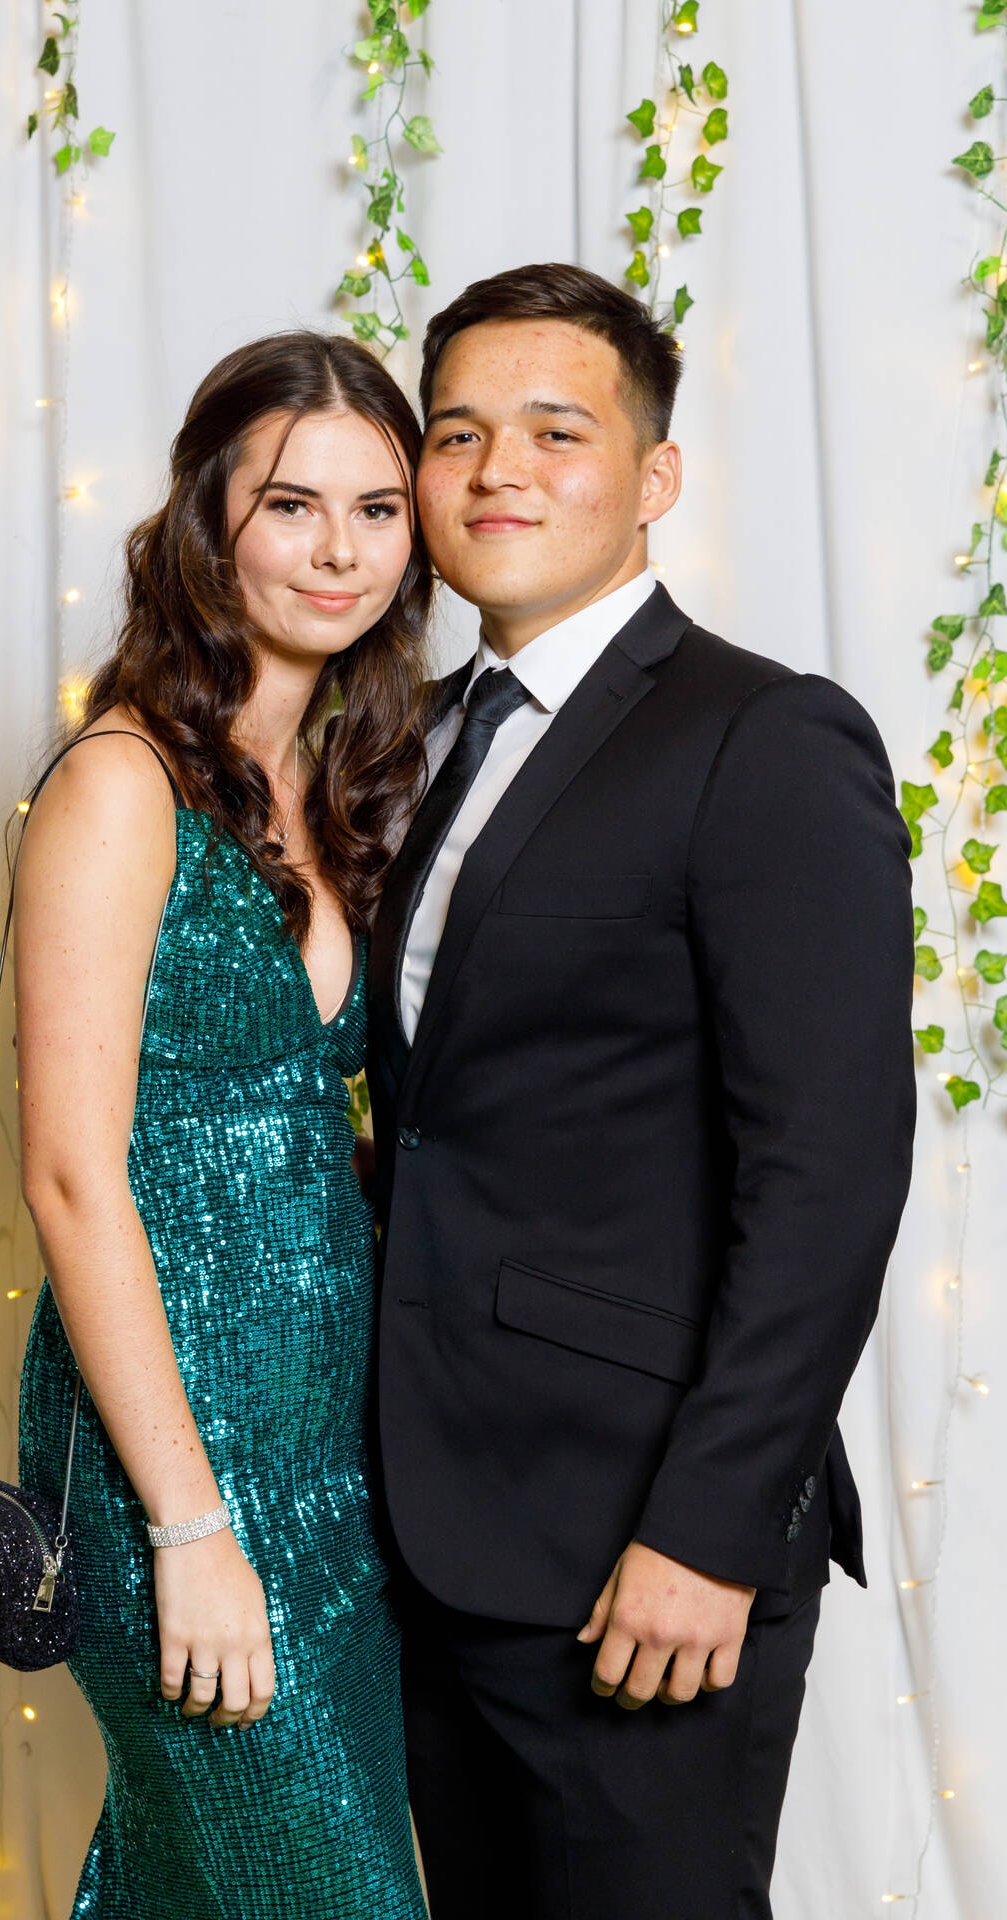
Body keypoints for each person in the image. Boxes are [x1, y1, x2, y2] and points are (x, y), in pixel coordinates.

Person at [365, 262, 917, 1919]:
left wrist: (710, 1530)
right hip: (429, 1530)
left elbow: (828, 1175)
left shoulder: (767, 737)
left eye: (556, 431)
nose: (498, 472)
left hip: (638, 1544)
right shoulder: (413, 741)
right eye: (456, 433)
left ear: (654, 475)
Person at [13, 330, 432, 1918]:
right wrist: (189, 1525)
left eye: (377, 509)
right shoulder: (124, 783)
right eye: (291, 505)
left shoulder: (334, 782)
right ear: (210, 522)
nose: (339, 551)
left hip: (332, 1460)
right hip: (171, 1462)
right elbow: (73, 1177)